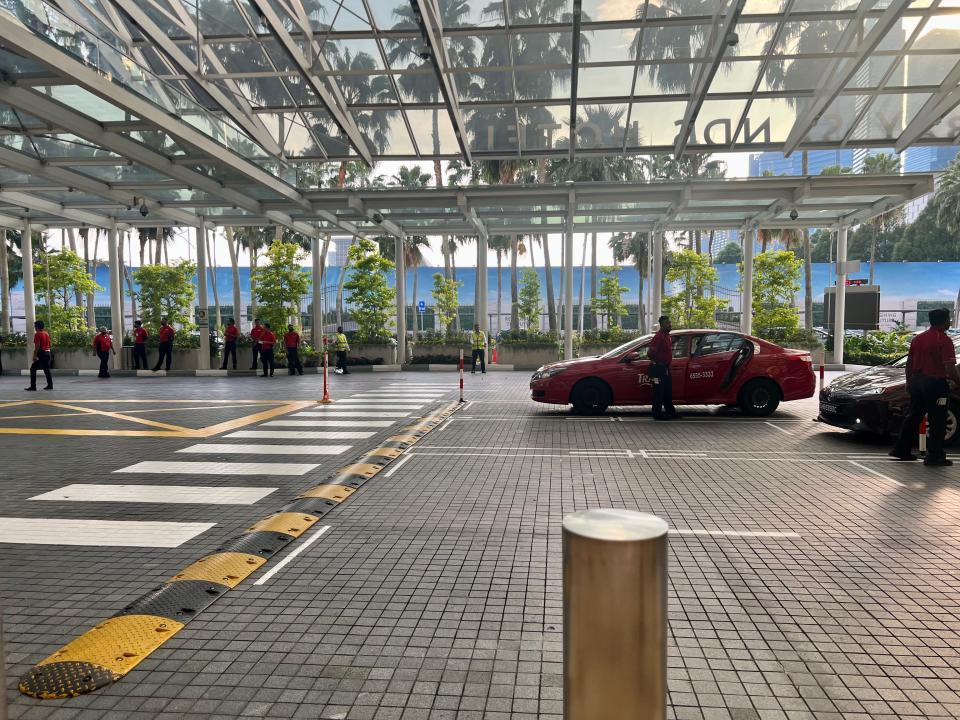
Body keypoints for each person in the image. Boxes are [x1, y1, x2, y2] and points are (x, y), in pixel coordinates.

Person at [890, 307, 960, 466]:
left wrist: (909, 382)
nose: (949, 322)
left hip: (917, 382)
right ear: (944, 322)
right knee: (938, 420)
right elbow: (949, 367)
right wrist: (958, 382)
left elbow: (909, 363)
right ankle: (934, 455)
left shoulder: (918, 339)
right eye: (948, 319)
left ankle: (901, 449)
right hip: (936, 384)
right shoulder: (944, 340)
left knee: (914, 416)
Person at [648, 315, 679, 420]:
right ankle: (657, 414)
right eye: (667, 323)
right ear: (661, 325)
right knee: (659, 392)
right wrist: (658, 362)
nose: (670, 325)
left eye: (670, 323)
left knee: (667, 391)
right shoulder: (658, 337)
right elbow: (650, 353)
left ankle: (671, 412)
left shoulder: (667, 336)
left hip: (665, 368)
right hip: (658, 369)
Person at [25, 320, 53, 391]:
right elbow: (50, 344)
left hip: (42, 353)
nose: (34, 328)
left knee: (33, 368)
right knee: (46, 370)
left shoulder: (38, 334)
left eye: (35, 326)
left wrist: (34, 355)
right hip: (48, 353)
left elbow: (37, 346)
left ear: (37, 327)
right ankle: (50, 385)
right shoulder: (46, 333)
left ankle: (33, 386)